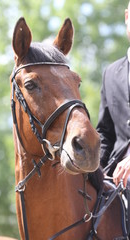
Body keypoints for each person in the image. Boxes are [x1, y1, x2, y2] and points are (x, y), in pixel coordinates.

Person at [97, 1, 130, 237]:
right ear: (127, 17)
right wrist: (92, 172)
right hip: (114, 179)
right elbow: (106, 134)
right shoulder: (110, 72)